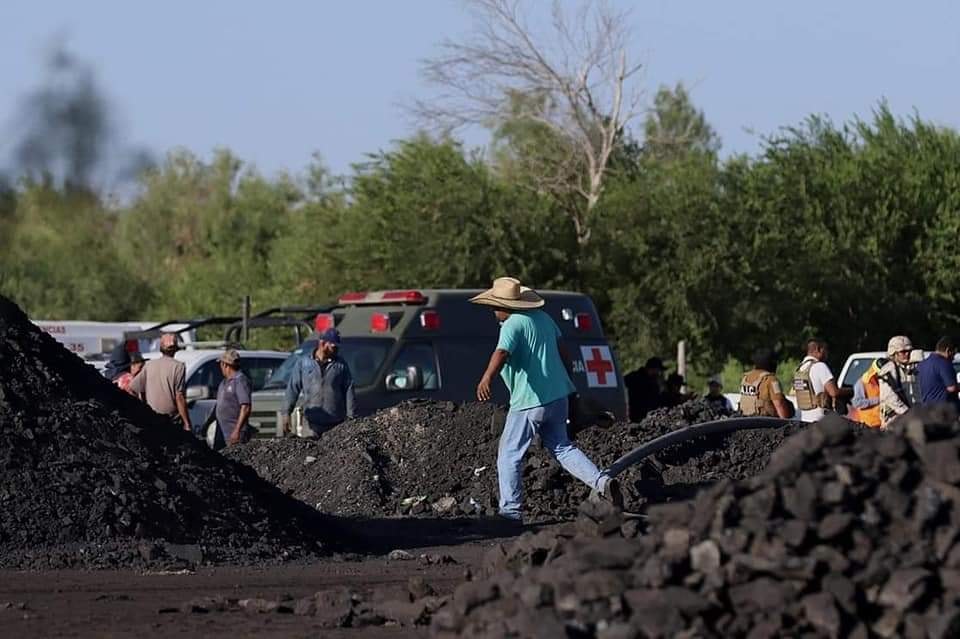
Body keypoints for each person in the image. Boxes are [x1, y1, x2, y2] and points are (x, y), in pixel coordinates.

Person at [471, 277, 622, 522]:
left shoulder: (512, 325)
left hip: (530, 401)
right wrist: (567, 384)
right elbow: (564, 352)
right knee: (562, 447)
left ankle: (510, 512)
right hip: (558, 397)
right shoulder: (544, 319)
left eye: (495, 305)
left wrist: (487, 378)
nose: (493, 310)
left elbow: (501, 353)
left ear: (505, 306)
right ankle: (602, 481)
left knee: (509, 454)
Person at [280, 328, 356, 438]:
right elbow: (292, 389)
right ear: (323, 343)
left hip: (335, 423)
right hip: (311, 423)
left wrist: (351, 416)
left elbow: (349, 389)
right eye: (333, 346)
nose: (336, 350)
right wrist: (286, 413)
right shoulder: (304, 363)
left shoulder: (340, 365)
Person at [127, 333, 192, 433]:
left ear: (161, 348)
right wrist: (187, 423)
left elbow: (131, 389)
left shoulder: (149, 365)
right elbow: (179, 396)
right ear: (175, 349)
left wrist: (144, 408)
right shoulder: (178, 366)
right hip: (171, 421)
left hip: (152, 420)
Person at [792, 339, 849, 422]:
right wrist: (851, 391)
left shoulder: (799, 369)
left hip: (804, 420)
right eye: (825, 350)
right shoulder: (820, 366)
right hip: (820, 420)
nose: (827, 353)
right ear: (818, 349)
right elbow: (834, 392)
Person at [878, 335, 921, 428]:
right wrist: (906, 412)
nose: (907, 354)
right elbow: (889, 397)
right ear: (894, 353)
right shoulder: (889, 369)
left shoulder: (909, 368)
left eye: (909, 351)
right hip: (893, 420)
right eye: (903, 352)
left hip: (908, 419)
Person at [739, 348, 795, 418]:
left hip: (745, 419)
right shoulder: (771, 379)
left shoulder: (746, 377)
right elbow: (779, 404)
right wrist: (786, 423)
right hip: (764, 422)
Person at [214, 349, 252, 448]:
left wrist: (237, 430)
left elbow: (246, 407)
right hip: (222, 433)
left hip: (234, 433)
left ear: (225, 365)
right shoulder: (224, 383)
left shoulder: (240, 381)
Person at [917, 336, 959, 410]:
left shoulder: (922, 364)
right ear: (948, 350)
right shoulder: (944, 363)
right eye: (953, 354)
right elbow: (952, 388)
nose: (953, 358)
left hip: (927, 410)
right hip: (944, 411)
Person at [849, 357, 887, 428]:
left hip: (882, 424)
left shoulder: (881, 381)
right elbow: (857, 403)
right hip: (868, 425)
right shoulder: (862, 382)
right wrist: (878, 400)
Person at [623, 356, 666, 421]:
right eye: (658, 370)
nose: (658, 373)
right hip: (636, 416)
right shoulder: (634, 378)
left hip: (648, 417)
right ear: (652, 369)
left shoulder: (653, 382)